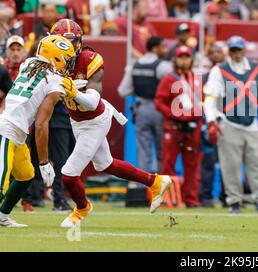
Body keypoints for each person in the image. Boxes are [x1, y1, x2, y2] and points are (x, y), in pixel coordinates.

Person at [50, 19, 172, 227]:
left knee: (69, 174)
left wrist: (72, 92)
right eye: (63, 42)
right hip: (77, 120)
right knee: (106, 164)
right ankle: (156, 182)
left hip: (96, 119)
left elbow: (92, 102)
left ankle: (82, 208)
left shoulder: (90, 59)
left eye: (72, 42)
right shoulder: (52, 64)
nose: (68, 47)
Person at [0, 35, 75, 227]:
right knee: (1, 185)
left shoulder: (28, 63)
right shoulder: (55, 81)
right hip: (7, 128)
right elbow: (41, 123)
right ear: (56, 57)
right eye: (66, 58)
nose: (68, 64)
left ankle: (2, 216)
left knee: (25, 175)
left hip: (17, 130)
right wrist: (44, 161)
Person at [203, 35, 258, 214]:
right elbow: (211, 97)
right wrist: (211, 121)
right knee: (230, 166)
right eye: (233, 50)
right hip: (229, 122)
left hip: (251, 123)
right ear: (229, 51)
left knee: (257, 163)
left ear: (244, 50)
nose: (236, 53)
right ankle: (234, 201)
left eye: (238, 49)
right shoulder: (219, 70)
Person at [154, 45, 203, 208]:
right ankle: (168, 198)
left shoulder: (197, 78)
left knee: (192, 164)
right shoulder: (169, 79)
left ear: (191, 59)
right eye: (181, 57)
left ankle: (191, 199)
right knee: (168, 163)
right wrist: (174, 114)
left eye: (186, 57)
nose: (184, 60)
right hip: (174, 126)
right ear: (175, 59)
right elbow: (159, 102)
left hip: (193, 126)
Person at [118, 36, 172, 174]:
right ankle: (161, 184)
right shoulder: (163, 66)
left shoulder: (133, 66)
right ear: (155, 48)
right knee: (162, 150)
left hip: (141, 109)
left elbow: (122, 91)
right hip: (160, 110)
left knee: (143, 151)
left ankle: (143, 186)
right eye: (162, 47)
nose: (165, 50)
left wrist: (138, 89)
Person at [199, 42, 226, 207]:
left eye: (219, 51)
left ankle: (227, 196)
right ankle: (205, 196)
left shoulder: (230, 75)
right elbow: (202, 100)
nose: (217, 55)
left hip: (227, 122)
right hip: (210, 121)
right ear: (209, 56)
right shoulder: (205, 77)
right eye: (213, 52)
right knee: (208, 161)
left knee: (228, 163)